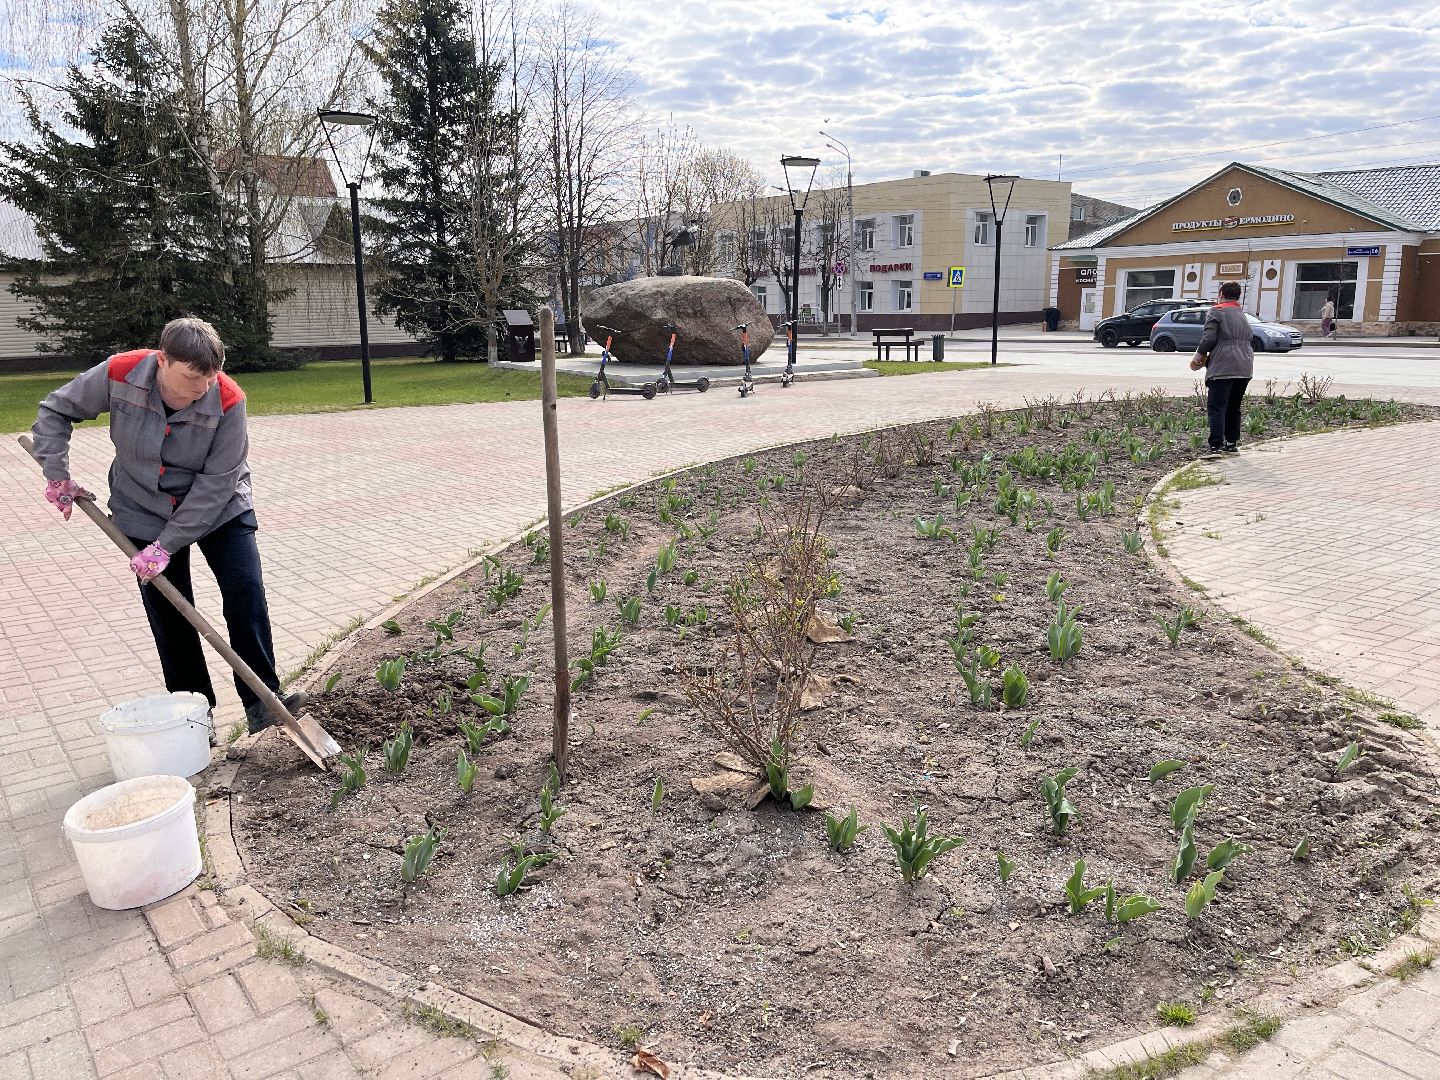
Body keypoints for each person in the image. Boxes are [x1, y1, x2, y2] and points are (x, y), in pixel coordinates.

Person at [31, 316, 304, 737]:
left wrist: (168, 544)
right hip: (142, 507)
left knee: (245, 592)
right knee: (171, 612)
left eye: (211, 376)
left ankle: (263, 702)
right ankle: (193, 717)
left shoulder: (228, 398)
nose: (203, 387)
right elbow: (55, 410)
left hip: (219, 508)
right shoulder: (121, 372)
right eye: (193, 377)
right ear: (162, 360)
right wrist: (56, 473)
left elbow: (217, 484)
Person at [1189, 281, 1253, 457]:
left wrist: (1199, 356)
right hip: (1245, 366)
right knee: (1234, 406)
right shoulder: (1242, 314)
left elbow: (1209, 338)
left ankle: (1215, 446)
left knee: (1217, 406)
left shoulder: (1216, 311)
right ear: (1238, 296)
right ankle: (1231, 444)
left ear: (1221, 294)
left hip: (1223, 366)